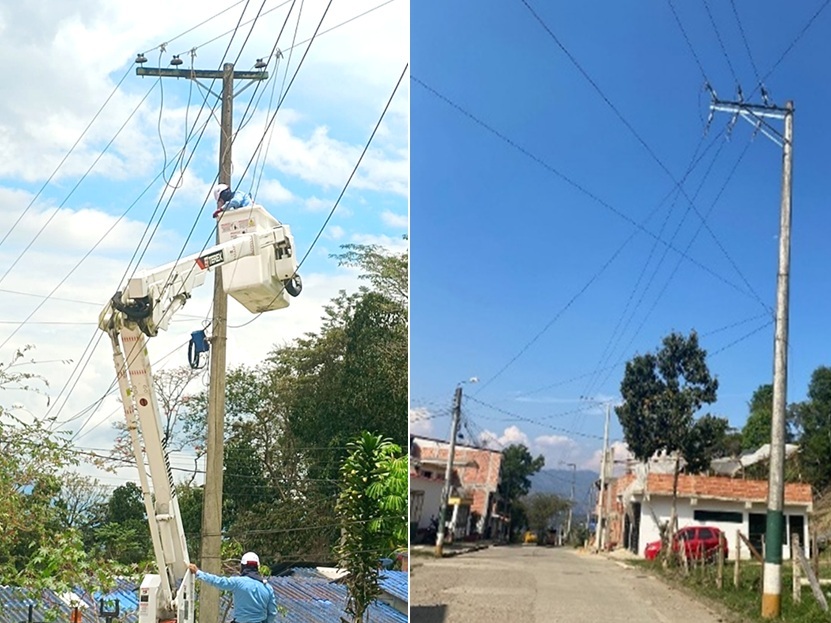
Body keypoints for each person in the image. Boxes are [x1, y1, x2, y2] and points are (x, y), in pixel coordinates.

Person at [187, 552, 276, 623]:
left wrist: (198, 572)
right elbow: (272, 613)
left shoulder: (237, 582)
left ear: (243, 566)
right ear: (258, 567)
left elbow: (217, 581)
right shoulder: (267, 588)